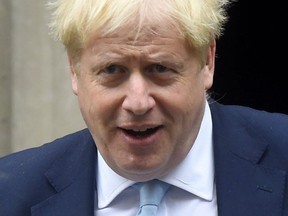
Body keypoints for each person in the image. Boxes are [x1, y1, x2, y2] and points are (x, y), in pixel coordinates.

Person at [0, 0, 288, 215]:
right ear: (74, 70)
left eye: (159, 69)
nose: (138, 103)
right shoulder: (11, 195)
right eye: (112, 70)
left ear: (207, 61)